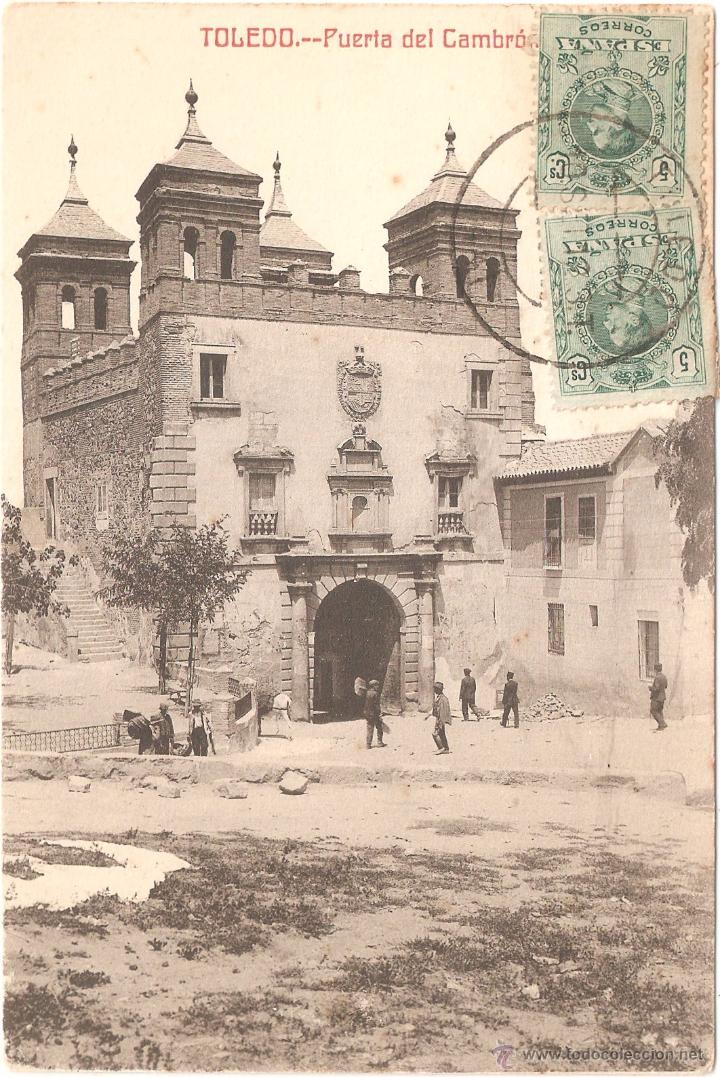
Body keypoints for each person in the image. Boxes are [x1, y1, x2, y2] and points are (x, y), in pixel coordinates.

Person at [426, 680, 451, 754]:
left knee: (435, 733)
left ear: (438, 689)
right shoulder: (439, 698)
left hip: (440, 719)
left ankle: (441, 748)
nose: (434, 690)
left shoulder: (443, 699)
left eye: (435, 689)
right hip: (439, 718)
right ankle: (446, 749)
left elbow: (443, 711)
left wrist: (440, 721)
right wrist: (429, 715)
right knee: (442, 733)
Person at [364, 679, 386, 749]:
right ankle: (380, 742)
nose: (378, 687)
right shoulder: (375, 693)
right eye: (377, 685)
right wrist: (379, 713)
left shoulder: (367, 693)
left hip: (368, 713)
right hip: (374, 713)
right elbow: (376, 705)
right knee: (379, 727)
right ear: (373, 686)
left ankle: (368, 744)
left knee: (370, 729)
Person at [649, 662, 668, 731]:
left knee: (653, 710)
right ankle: (661, 725)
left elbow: (656, 688)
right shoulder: (664, 676)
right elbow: (665, 686)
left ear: (655, 670)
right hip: (662, 697)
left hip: (656, 698)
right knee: (659, 711)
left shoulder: (657, 677)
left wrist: (651, 688)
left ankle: (662, 724)